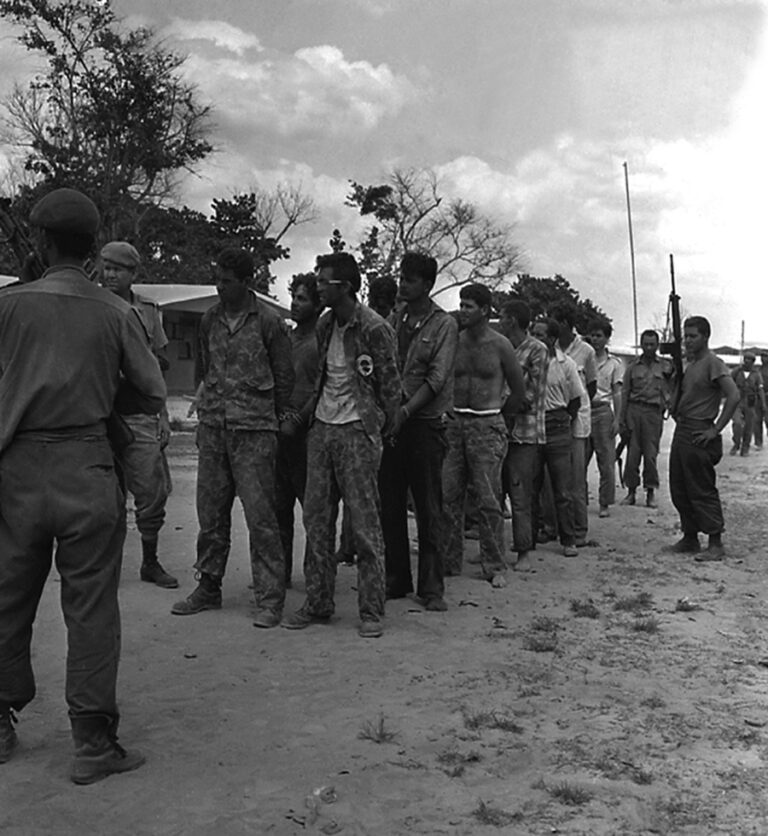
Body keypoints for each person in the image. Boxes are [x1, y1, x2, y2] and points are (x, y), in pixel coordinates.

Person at [0, 188, 166, 783]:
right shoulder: (116, 311)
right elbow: (151, 391)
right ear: (93, 249)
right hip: (88, 465)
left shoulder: (7, 306)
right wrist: (99, 391)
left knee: (6, 596)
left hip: (16, 471)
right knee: (92, 607)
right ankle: (93, 744)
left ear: (43, 242)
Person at [171, 248, 295, 627]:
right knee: (210, 514)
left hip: (255, 433)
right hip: (214, 430)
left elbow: (284, 378)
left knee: (261, 517)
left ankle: (270, 598)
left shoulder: (269, 322)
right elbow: (205, 370)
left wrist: (276, 423)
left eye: (227, 281)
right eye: (217, 280)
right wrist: (206, 414)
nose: (220, 287)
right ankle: (208, 586)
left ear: (246, 281)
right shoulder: (210, 319)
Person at [283, 253, 401, 638]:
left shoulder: (375, 329)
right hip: (322, 429)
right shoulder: (324, 325)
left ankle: (371, 610)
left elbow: (391, 386)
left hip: (357, 431)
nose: (318, 287)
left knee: (364, 524)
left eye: (324, 282)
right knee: (316, 520)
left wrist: (379, 428)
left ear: (346, 287)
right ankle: (318, 602)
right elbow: (321, 377)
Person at [380, 252, 458, 610]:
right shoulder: (393, 320)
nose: (403, 285)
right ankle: (396, 579)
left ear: (427, 285)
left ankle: (431, 587)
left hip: (425, 425)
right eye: (401, 278)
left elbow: (437, 379)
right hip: (393, 423)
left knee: (429, 507)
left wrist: (406, 410)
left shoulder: (444, 325)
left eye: (409, 280)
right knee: (390, 504)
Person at [99, 241, 177, 588]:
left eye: (118, 269)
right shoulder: (92, 303)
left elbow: (158, 366)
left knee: (151, 491)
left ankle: (150, 561)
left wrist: (163, 416)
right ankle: (105, 566)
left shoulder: (147, 310)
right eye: (106, 267)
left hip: (139, 412)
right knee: (104, 496)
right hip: (101, 412)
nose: (110, 274)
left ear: (133, 273)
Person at [442, 284, 524, 587]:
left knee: (488, 499)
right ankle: (449, 560)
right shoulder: (454, 341)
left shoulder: (501, 345)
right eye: (461, 305)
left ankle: (494, 563)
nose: (463, 311)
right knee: (448, 495)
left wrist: (498, 418)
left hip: (487, 424)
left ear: (485, 310)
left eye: (469, 306)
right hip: (455, 424)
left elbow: (518, 391)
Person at [668, 316, 739, 560]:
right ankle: (690, 537)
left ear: (706, 337)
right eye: (686, 336)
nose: (688, 341)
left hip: (699, 432)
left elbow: (733, 396)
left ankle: (715, 543)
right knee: (679, 488)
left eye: (693, 336)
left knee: (701, 488)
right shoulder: (689, 365)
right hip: (682, 429)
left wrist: (715, 430)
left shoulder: (713, 363)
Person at [275, 272, 322, 586]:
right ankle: (280, 574)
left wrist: (299, 419)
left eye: (302, 299)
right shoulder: (285, 339)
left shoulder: (321, 341)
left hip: (308, 434)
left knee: (314, 511)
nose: (294, 303)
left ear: (317, 305)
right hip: (280, 432)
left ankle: (316, 577)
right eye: (293, 296)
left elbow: (322, 388)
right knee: (279, 507)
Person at [499, 299, 549, 572]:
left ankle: (523, 552)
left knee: (520, 496)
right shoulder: (502, 346)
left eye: (503, 317)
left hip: (524, 433)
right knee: (494, 493)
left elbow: (530, 396)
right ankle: (494, 550)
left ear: (513, 320)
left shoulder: (537, 350)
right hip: (499, 429)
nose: (500, 322)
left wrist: (500, 402)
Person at [531, 318, 584, 558]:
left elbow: (575, 399)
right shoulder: (527, 361)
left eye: (540, 335)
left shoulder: (566, 364)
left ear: (552, 339)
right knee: (532, 486)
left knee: (563, 489)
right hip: (532, 424)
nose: (535, 338)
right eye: (533, 333)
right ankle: (531, 536)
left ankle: (569, 539)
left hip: (558, 424)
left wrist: (564, 422)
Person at [551, 305, 597, 546]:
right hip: (555, 420)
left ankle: (579, 529)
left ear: (566, 324)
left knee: (577, 479)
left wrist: (576, 409)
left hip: (577, 420)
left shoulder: (586, 351)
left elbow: (590, 386)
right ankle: (555, 527)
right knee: (555, 479)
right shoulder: (549, 348)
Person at [618, 329, 671, 508]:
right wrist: (622, 419)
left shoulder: (665, 366)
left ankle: (650, 492)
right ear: (641, 344)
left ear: (657, 345)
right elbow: (625, 393)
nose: (649, 348)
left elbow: (674, 385)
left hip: (653, 414)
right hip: (634, 411)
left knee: (650, 454)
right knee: (632, 455)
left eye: (652, 344)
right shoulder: (633, 367)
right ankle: (631, 492)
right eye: (646, 344)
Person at [587, 319, 623, 517]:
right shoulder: (584, 357)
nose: (595, 339)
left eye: (599, 335)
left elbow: (617, 392)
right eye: (592, 335)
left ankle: (604, 503)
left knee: (607, 461)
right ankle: (580, 499)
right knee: (579, 459)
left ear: (607, 338)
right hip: (584, 410)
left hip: (603, 411)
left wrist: (617, 419)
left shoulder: (614, 364)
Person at [730, 352, 764, 457]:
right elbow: (729, 384)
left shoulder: (756, 374)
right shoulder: (736, 371)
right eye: (745, 359)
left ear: (753, 362)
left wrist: (763, 404)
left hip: (750, 402)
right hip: (737, 401)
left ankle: (745, 448)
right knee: (737, 423)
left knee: (749, 426)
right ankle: (736, 443)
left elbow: (760, 389)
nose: (746, 361)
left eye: (749, 359)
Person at [753, 351, 768, 450]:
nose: (763, 358)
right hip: (758, 397)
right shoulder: (758, 370)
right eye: (762, 356)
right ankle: (758, 443)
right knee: (757, 420)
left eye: (766, 356)